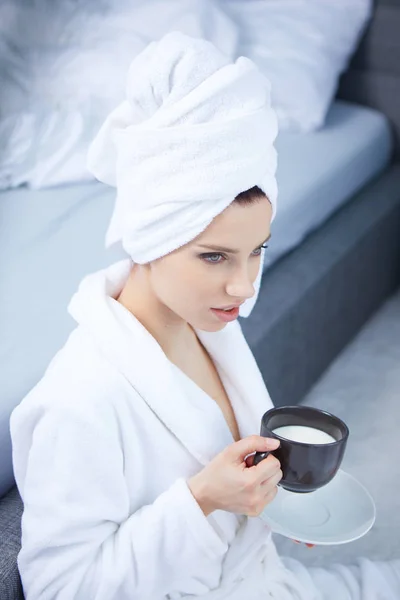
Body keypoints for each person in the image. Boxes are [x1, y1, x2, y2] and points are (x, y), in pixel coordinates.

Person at [10, 32, 400, 600]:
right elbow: (59, 588)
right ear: (148, 238)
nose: (243, 287)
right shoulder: (77, 402)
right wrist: (202, 502)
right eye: (214, 256)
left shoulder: (207, 328)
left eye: (257, 250)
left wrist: (272, 504)